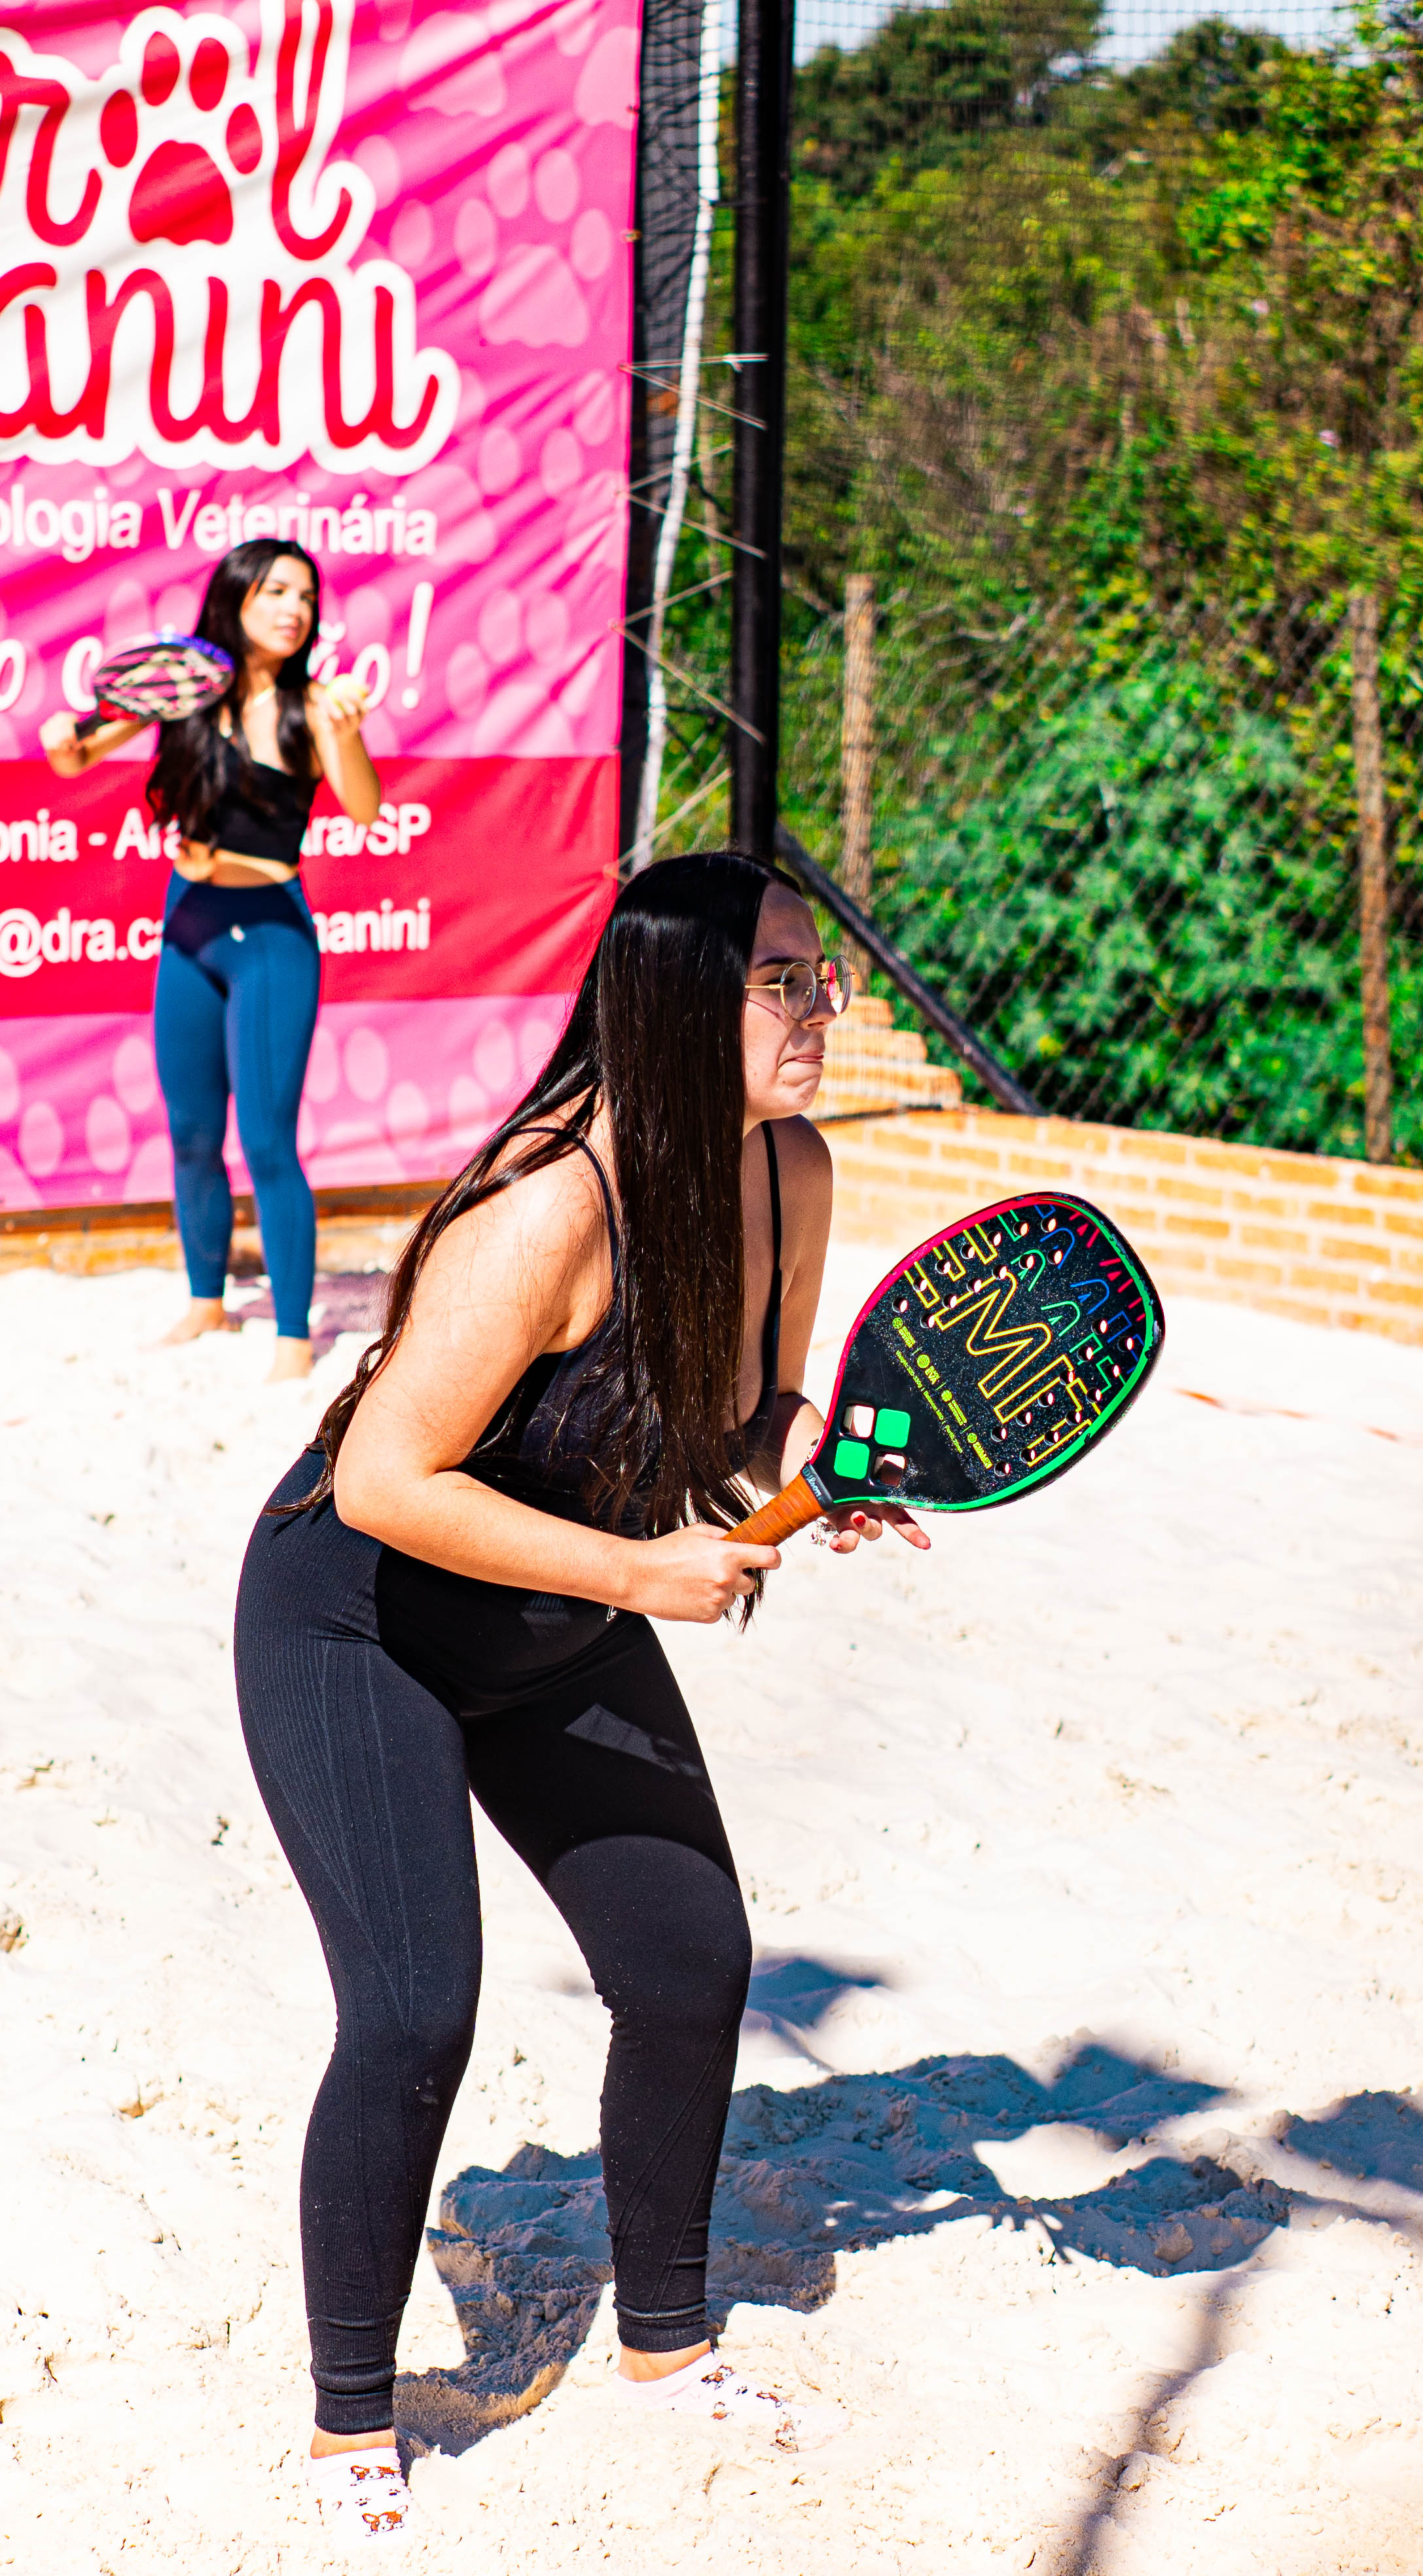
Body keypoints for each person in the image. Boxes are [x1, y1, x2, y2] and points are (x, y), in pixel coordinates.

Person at [232, 853, 929, 2545]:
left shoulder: (791, 1176)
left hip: (554, 1615)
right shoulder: (545, 1208)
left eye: (819, 977)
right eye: (782, 981)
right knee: (413, 2017)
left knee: (692, 1962)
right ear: (679, 999)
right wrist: (642, 1577)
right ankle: (347, 2430)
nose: (820, 1010)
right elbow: (390, 1478)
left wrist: (819, 1471)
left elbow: (755, 1416)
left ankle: (667, 2351)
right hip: (360, 1626)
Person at [41, 543, 380, 1382]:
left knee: (267, 1141)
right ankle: (204, 1302)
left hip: (270, 935)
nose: (292, 608)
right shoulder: (188, 685)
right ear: (237, 599)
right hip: (188, 925)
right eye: (275, 592)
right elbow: (74, 754)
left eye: (305, 596)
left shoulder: (315, 706)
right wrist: (62, 736)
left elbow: (367, 809)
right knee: (192, 1136)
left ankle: (294, 1340)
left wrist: (349, 734)